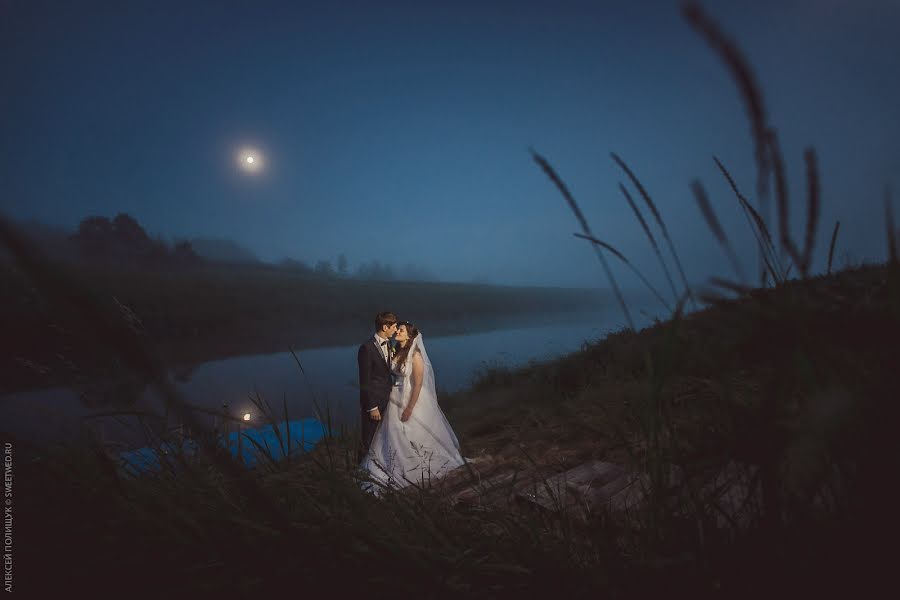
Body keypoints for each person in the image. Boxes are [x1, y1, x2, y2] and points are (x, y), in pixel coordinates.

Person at [359, 321, 465, 494]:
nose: (397, 331)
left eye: (401, 330)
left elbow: (417, 385)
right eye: (397, 329)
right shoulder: (396, 351)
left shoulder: (415, 356)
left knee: (410, 431)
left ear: (409, 336)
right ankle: (390, 462)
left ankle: (412, 464)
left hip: (410, 398)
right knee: (392, 431)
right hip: (394, 396)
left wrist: (409, 408)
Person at [357, 311, 398, 464]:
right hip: (374, 403)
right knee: (368, 438)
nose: (395, 330)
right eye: (393, 327)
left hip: (388, 400)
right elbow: (365, 380)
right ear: (385, 326)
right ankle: (359, 471)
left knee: (383, 438)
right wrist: (372, 407)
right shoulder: (367, 348)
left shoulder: (389, 344)